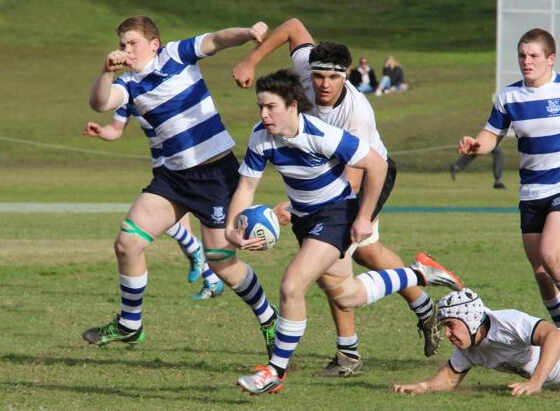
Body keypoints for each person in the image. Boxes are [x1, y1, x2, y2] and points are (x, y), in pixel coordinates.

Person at [226, 69, 463, 394]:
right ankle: (419, 273)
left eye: (271, 107)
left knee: (292, 284)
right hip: (306, 220)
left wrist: (364, 216)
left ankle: (274, 372)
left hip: (337, 214)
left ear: (293, 105)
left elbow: (377, 164)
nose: (264, 114)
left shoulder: (321, 134)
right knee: (346, 294)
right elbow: (246, 187)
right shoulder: (260, 137)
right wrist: (231, 227)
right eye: (260, 108)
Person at [81, 16, 279, 355]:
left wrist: (246, 34)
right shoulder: (128, 84)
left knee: (223, 266)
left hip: (216, 176)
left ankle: (269, 317)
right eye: (123, 44)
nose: (126, 50)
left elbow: (217, 38)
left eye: (133, 44)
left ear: (153, 45)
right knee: (127, 243)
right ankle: (130, 325)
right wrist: (105, 71)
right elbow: (100, 103)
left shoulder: (175, 55)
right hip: (173, 179)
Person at [458, 28, 560, 329]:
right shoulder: (509, 97)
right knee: (542, 271)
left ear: (550, 59)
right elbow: (492, 134)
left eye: (533, 55)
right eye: (522, 55)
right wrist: (477, 146)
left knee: (552, 255)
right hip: (531, 192)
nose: (526, 61)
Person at [84, 107, 225, 300]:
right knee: (175, 228)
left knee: (159, 224)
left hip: (188, 165)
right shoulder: (127, 92)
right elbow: (115, 129)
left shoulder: (170, 81)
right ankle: (212, 279)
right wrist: (102, 131)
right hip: (162, 166)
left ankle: (196, 249)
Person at [392, 288, 560, 395]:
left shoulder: (507, 321)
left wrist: (535, 382)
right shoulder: (468, 349)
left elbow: (555, 336)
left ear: (470, 318)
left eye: (451, 324)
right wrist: (423, 386)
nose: (448, 333)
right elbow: (449, 379)